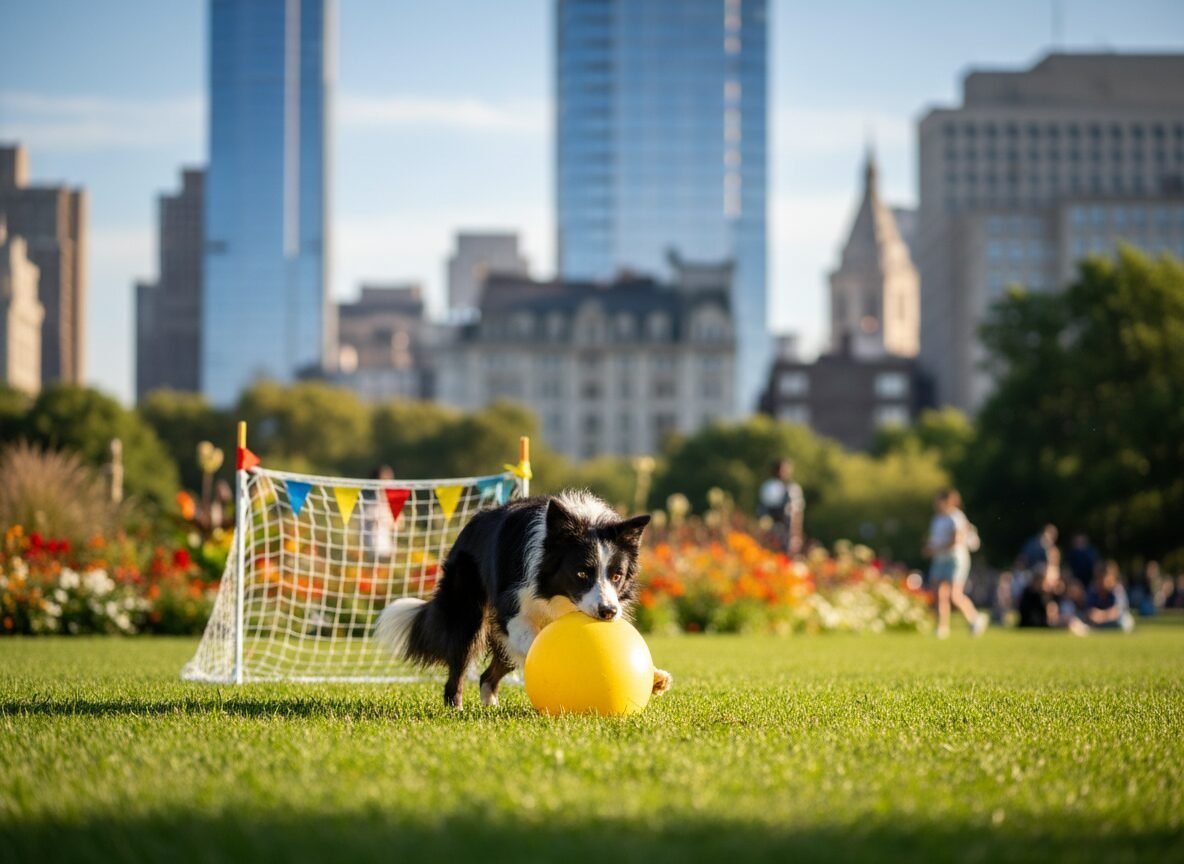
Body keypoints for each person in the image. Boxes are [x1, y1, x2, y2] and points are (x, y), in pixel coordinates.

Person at [924, 488, 989, 639]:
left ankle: (975, 618)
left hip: (955, 559)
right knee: (939, 594)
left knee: (954, 594)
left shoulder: (956, 517)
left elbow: (957, 540)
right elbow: (934, 539)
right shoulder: (937, 519)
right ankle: (942, 627)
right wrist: (929, 548)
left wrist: (936, 549)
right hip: (940, 559)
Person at [1017, 551, 1089, 636]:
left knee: (1070, 620)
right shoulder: (1032, 594)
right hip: (1037, 624)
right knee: (1068, 622)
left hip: (1041, 623)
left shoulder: (1044, 595)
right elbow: (1038, 618)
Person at [758, 459, 805, 555]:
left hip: (787, 530)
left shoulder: (793, 489)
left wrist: (795, 535)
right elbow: (763, 511)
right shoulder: (768, 487)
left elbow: (796, 514)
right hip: (771, 530)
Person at [1084, 561, 1135, 633]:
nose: (1100, 581)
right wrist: (1093, 614)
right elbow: (1088, 610)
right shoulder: (1093, 589)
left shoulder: (1117, 589)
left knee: (1125, 621)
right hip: (1097, 621)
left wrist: (1102, 616)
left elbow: (1118, 611)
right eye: (1098, 578)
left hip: (1115, 620)